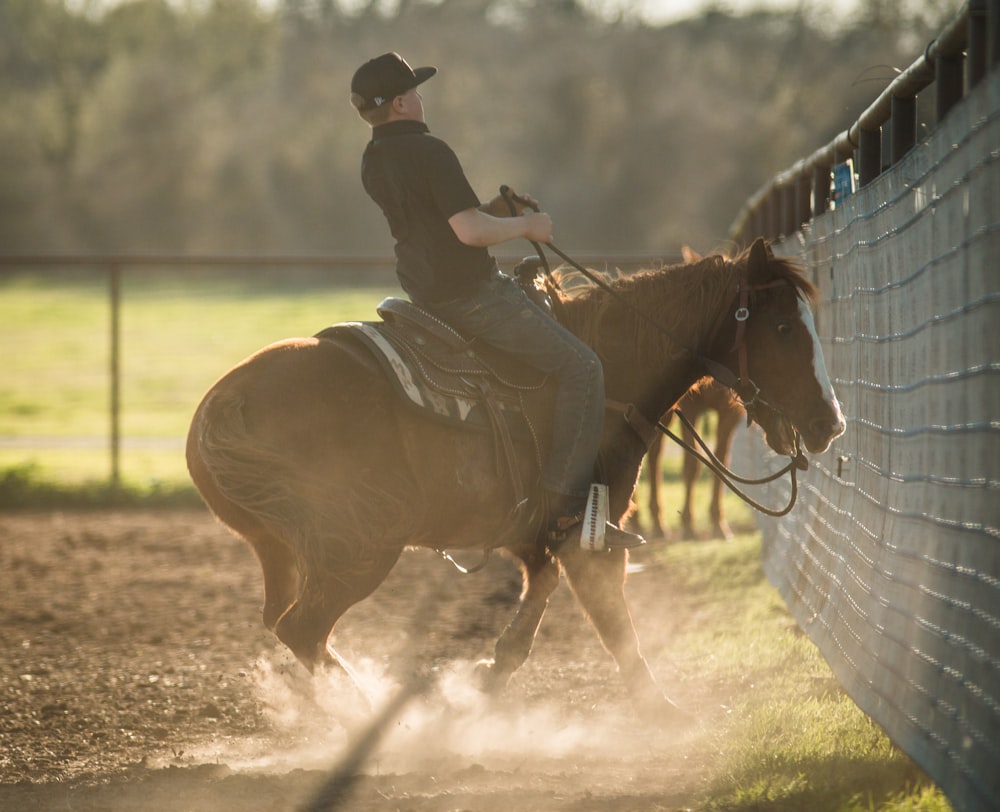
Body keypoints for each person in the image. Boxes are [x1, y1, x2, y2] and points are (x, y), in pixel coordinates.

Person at [350, 52, 643, 551]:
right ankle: (566, 513)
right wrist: (527, 226)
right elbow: (467, 230)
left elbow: (434, 225)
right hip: (472, 296)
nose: (421, 98)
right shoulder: (430, 151)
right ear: (400, 103)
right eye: (415, 91)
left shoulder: (373, 160)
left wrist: (491, 215)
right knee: (582, 368)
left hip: (424, 294)